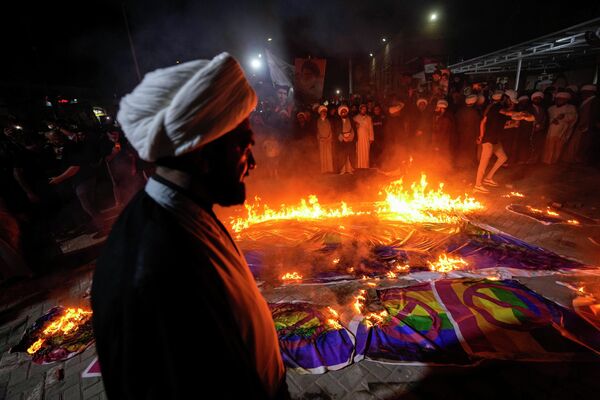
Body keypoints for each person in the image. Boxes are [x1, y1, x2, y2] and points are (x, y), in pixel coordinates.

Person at [91, 53, 288, 399]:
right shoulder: (152, 265)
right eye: (244, 146)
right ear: (202, 150)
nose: (253, 163)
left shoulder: (183, 213)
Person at [542, 91, 578, 164]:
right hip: (552, 130)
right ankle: (547, 160)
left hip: (562, 130)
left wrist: (564, 117)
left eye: (562, 99)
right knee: (549, 145)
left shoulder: (571, 108)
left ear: (566, 100)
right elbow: (548, 118)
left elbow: (574, 118)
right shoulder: (551, 108)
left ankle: (554, 161)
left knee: (558, 147)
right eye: (558, 99)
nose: (559, 100)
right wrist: (553, 120)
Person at [353, 104, 374, 168]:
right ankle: (359, 166)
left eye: (365, 109)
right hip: (359, 138)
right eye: (363, 109)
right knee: (359, 152)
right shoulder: (355, 118)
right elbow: (353, 128)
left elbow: (371, 128)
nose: (364, 110)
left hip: (366, 138)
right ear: (360, 110)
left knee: (366, 152)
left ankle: (366, 166)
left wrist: (371, 138)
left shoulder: (369, 118)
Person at [316, 105, 334, 173]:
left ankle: (329, 169)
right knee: (322, 155)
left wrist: (329, 137)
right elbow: (317, 131)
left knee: (328, 155)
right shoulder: (318, 121)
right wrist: (321, 138)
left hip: (328, 140)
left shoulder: (328, 121)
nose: (324, 113)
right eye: (322, 112)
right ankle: (324, 170)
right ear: (320, 113)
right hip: (322, 141)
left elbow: (330, 130)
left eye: (325, 112)